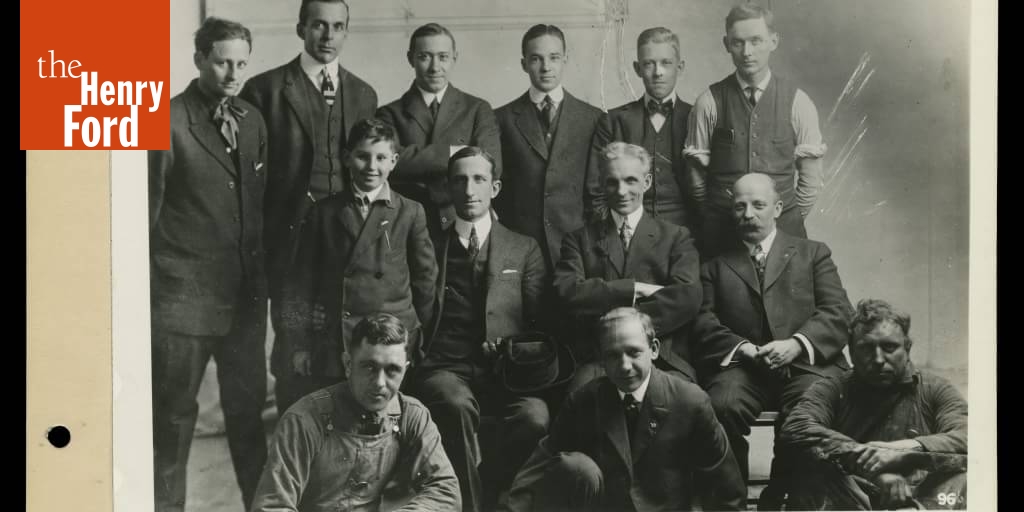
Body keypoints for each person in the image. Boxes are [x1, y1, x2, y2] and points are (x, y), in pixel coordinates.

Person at [148, 17, 268, 512]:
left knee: (248, 419)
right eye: (222, 61)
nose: (232, 72)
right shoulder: (167, 120)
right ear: (199, 59)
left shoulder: (254, 119)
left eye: (241, 62)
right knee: (174, 422)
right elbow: (146, 215)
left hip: (242, 302)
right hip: (183, 302)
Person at [239, 0, 378, 410]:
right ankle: (291, 438)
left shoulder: (363, 93)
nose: (328, 35)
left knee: (344, 337)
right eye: (319, 25)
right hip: (289, 240)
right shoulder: (265, 90)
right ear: (301, 29)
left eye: (338, 26)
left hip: (347, 238)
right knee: (294, 338)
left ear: (347, 32)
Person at [407, 146, 560, 512]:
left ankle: (492, 487)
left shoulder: (523, 248)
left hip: (506, 374)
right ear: (448, 187)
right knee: (452, 403)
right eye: (459, 180)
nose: (469, 189)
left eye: (479, 179)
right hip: (447, 368)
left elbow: (540, 324)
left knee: (535, 416)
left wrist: (514, 350)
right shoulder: (430, 244)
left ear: (495, 187)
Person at [691, 172, 852, 508]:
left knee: (808, 410)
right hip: (744, 367)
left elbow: (839, 312)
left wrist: (795, 344)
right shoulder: (715, 266)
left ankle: (783, 497)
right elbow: (702, 321)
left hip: (807, 365)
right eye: (739, 207)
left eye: (758, 205)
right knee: (721, 405)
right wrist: (745, 349)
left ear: (777, 208)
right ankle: (728, 502)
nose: (748, 214)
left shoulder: (813, 253)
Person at [501, 307, 746, 511]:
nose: (624, 366)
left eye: (633, 352)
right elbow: (539, 465)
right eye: (613, 356)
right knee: (575, 467)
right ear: (602, 360)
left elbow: (727, 490)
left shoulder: (690, 401)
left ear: (654, 349)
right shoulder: (584, 400)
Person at [277, 118, 437, 413]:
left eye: (380, 158)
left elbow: (426, 283)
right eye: (363, 156)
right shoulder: (324, 213)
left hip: (393, 340)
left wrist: (415, 337)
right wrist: (299, 344)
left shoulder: (410, 212)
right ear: (347, 158)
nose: (371, 167)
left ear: (394, 161)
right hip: (340, 339)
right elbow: (299, 284)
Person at [250, 313, 461, 511]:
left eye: (392, 370)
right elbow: (272, 505)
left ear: (405, 370)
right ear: (348, 364)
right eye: (369, 367)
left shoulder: (412, 415)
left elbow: (445, 490)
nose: (379, 383)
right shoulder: (303, 420)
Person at [780, 299, 968, 510]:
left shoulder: (935, 388)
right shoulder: (832, 388)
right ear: (851, 351)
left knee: (966, 475)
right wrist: (874, 469)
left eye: (889, 347)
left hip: (922, 500)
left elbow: (968, 436)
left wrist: (904, 451)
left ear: (907, 348)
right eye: (867, 348)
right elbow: (796, 428)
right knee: (811, 470)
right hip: (856, 499)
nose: (878, 359)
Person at [684, 4, 827, 259]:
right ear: (726, 44)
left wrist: (780, 220)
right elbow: (696, 179)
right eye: (738, 43)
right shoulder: (709, 101)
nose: (747, 52)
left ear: (773, 41)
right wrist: (716, 216)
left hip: (784, 232)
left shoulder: (798, 102)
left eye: (756, 41)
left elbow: (810, 181)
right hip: (721, 234)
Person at [555, 142, 701, 391]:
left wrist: (621, 324)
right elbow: (567, 291)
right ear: (602, 184)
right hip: (599, 357)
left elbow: (687, 297)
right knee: (581, 400)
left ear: (647, 182)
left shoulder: (675, 237)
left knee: (680, 400)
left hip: (660, 357)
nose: (621, 191)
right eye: (612, 182)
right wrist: (633, 289)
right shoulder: (579, 240)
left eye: (631, 180)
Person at [493, 24, 604, 273]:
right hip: (522, 244)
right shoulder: (501, 118)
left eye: (554, 58)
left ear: (565, 60)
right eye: (536, 59)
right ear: (524, 64)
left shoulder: (592, 118)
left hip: (578, 247)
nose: (546, 67)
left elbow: (597, 191)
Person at [376, 23, 502, 241]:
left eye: (443, 57)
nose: (435, 67)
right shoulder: (388, 114)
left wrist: (416, 157)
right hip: (404, 222)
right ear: (410, 58)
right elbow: (390, 164)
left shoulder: (477, 109)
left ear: (455, 58)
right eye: (425, 56)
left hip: (462, 220)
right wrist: (459, 152)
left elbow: (492, 164)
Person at [585, 27, 697, 233]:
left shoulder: (697, 118)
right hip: (625, 234)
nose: (658, 72)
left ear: (680, 67)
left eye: (666, 63)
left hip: (687, 236)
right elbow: (595, 190)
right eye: (648, 64)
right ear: (637, 68)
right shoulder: (613, 121)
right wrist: (615, 234)